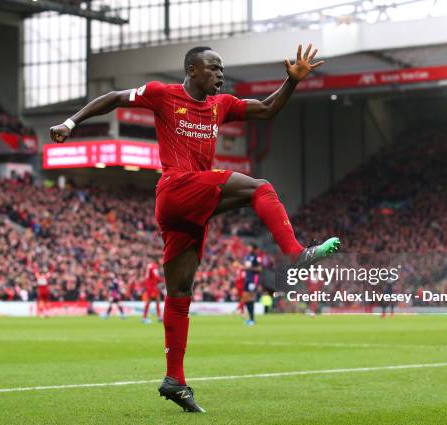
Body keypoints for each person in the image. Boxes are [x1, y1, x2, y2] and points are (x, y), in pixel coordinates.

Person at [50, 43, 340, 413]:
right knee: (261, 188)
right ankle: (295, 253)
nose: (220, 74)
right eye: (214, 68)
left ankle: (175, 380)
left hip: (188, 211)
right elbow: (113, 98)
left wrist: (291, 81)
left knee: (180, 292)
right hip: (175, 188)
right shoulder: (162, 94)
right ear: (192, 70)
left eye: (222, 68)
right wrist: (71, 122)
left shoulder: (221, 106)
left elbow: (267, 109)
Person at [243, 244, 262, 325]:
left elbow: (259, 268)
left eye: (250, 247)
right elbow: (246, 267)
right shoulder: (247, 257)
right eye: (248, 247)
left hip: (253, 280)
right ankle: (250, 319)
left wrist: (249, 268)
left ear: (254, 249)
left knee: (250, 299)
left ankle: (252, 320)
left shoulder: (256, 257)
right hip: (247, 279)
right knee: (246, 299)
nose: (248, 248)